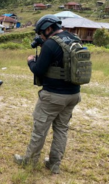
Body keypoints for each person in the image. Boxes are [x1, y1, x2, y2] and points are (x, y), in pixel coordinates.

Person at [14, 14, 81, 174]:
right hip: (73, 94)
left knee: (40, 129)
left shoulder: (51, 44)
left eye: (41, 33)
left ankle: (29, 162)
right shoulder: (74, 39)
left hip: (53, 96)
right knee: (61, 129)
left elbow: (38, 69)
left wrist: (31, 60)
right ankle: (54, 164)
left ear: (48, 29)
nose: (41, 37)